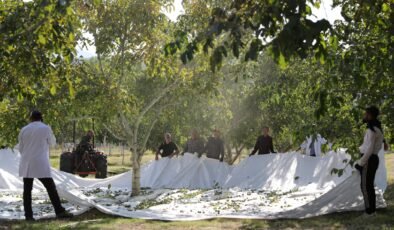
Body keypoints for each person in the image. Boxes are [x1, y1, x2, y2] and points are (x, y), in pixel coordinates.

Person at [18, 110, 73, 221]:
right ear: (41, 118)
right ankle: (59, 211)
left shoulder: (23, 129)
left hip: (27, 163)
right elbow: (52, 143)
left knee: (27, 190)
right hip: (40, 162)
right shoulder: (46, 128)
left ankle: (28, 216)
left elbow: (20, 148)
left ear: (31, 118)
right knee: (51, 188)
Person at [354, 106, 385, 217]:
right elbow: (367, 146)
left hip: (369, 160)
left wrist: (360, 163)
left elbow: (369, 149)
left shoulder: (373, 130)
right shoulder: (375, 128)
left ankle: (370, 211)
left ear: (370, 115)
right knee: (368, 186)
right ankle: (372, 209)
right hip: (371, 159)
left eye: (366, 114)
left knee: (366, 186)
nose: (364, 116)